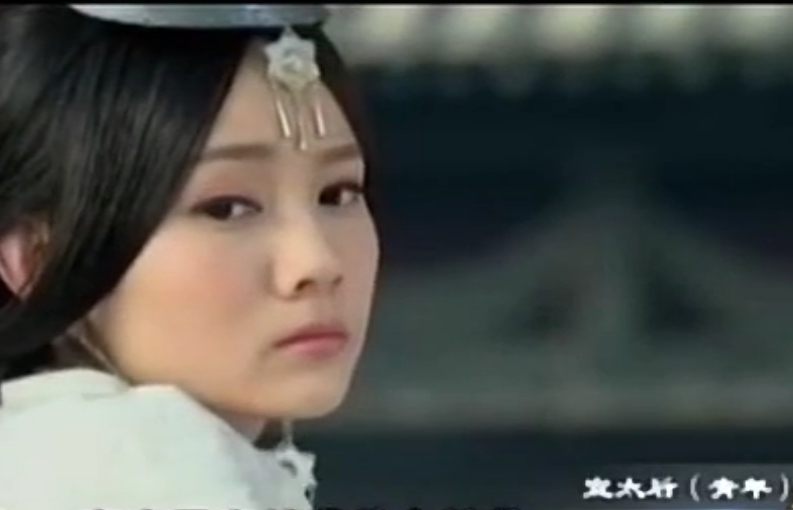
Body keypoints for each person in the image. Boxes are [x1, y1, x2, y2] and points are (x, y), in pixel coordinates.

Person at [0, 4, 379, 510]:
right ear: (35, 257)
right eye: (226, 208)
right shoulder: (138, 464)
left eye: (338, 194)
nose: (317, 262)